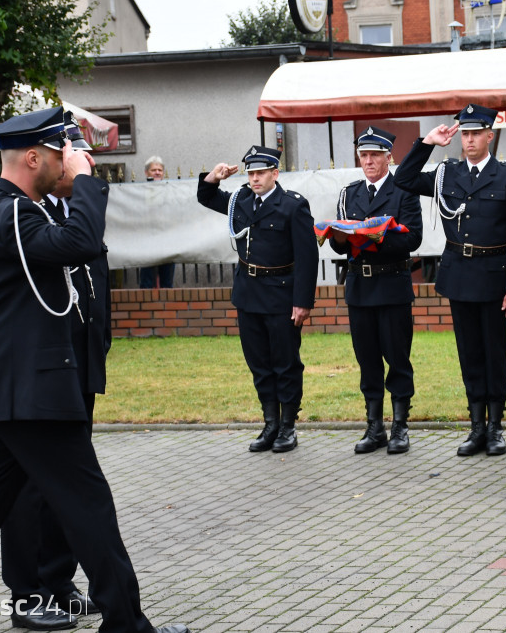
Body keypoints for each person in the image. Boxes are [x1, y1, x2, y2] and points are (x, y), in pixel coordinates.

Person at [0, 107, 188, 633]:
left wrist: (76, 187)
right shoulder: (7, 211)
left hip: (15, 393)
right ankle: (127, 626)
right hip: (32, 394)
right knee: (89, 508)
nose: (65, 163)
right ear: (33, 157)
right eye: (58, 154)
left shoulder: (15, 209)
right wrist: (91, 182)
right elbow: (80, 243)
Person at [0, 114, 110, 630]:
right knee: (29, 487)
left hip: (79, 357)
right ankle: (29, 589)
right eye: (74, 155)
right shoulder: (26, 212)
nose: (81, 164)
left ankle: (59, 581)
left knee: (62, 485)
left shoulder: (68, 207)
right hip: (40, 371)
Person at [393, 104, 506, 456]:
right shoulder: (446, 174)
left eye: (475, 133)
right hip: (460, 277)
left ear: (489, 135)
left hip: (495, 277)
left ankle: (496, 427)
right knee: (469, 354)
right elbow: (403, 179)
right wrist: (427, 143)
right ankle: (476, 428)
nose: (469, 140)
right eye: (464, 133)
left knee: (494, 354)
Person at [197, 146, 318, 453]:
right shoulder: (240, 200)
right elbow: (207, 197)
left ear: (275, 174)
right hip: (249, 294)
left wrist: (302, 302)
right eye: (251, 173)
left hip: (280, 294)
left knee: (285, 363)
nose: (254, 178)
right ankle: (270, 424)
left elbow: (307, 257)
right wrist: (213, 177)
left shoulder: (292, 206)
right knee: (259, 364)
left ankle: (288, 426)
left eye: (261, 173)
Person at [328, 127, 423, 454]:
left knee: (397, 358)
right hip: (359, 287)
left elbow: (413, 239)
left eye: (374, 155)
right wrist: (341, 239)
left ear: (388, 157)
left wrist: (374, 236)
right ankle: (374, 427)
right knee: (367, 360)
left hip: (392, 285)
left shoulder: (403, 190)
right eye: (363, 155)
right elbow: (341, 246)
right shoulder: (349, 193)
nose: (368, 161)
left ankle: (400, 427)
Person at [139, 155, 176, 289]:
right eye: (153, 170)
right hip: (147, 240)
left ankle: (169, 310)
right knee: (147, 282)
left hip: (167, 240)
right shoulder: (139, 191)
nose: (157, 172)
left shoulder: (169, 191)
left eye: (160, 170)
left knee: (167, 282)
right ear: (146, 172)